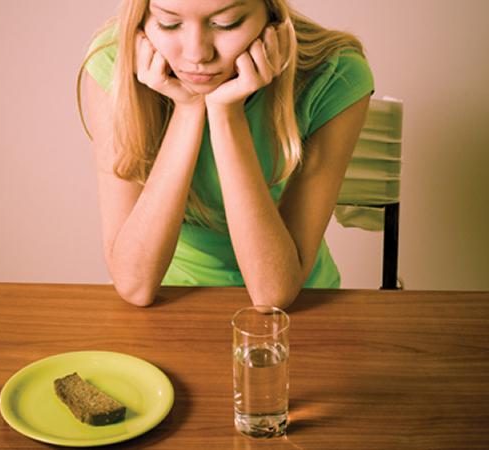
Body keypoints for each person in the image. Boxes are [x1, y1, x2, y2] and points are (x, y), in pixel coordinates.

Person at [77, 0, 374, 308]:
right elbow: (135, 286)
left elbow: (272, 295)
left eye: (227, 22)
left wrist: (225, 113)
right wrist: (189, 108)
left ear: (271, 14)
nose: (197, 55)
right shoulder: (115, 63)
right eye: (168, 23)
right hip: (169, 298)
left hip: (299, 303)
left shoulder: (335, 73)